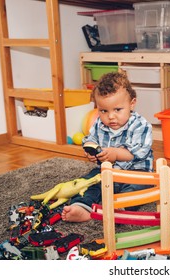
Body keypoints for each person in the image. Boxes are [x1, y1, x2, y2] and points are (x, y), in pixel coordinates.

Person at [62, 71, 154, 222]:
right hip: (106, 172)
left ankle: (120, 208)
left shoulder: (140, 125)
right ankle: (81, 207)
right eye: (104, 111)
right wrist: (90, 151)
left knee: (139, 189)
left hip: (135, 173)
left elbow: (138, 152)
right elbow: (89, 139)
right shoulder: (99, 123)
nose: (110, 116)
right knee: (87, 182)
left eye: (117, 110)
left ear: (131, 103)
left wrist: (116, 154)